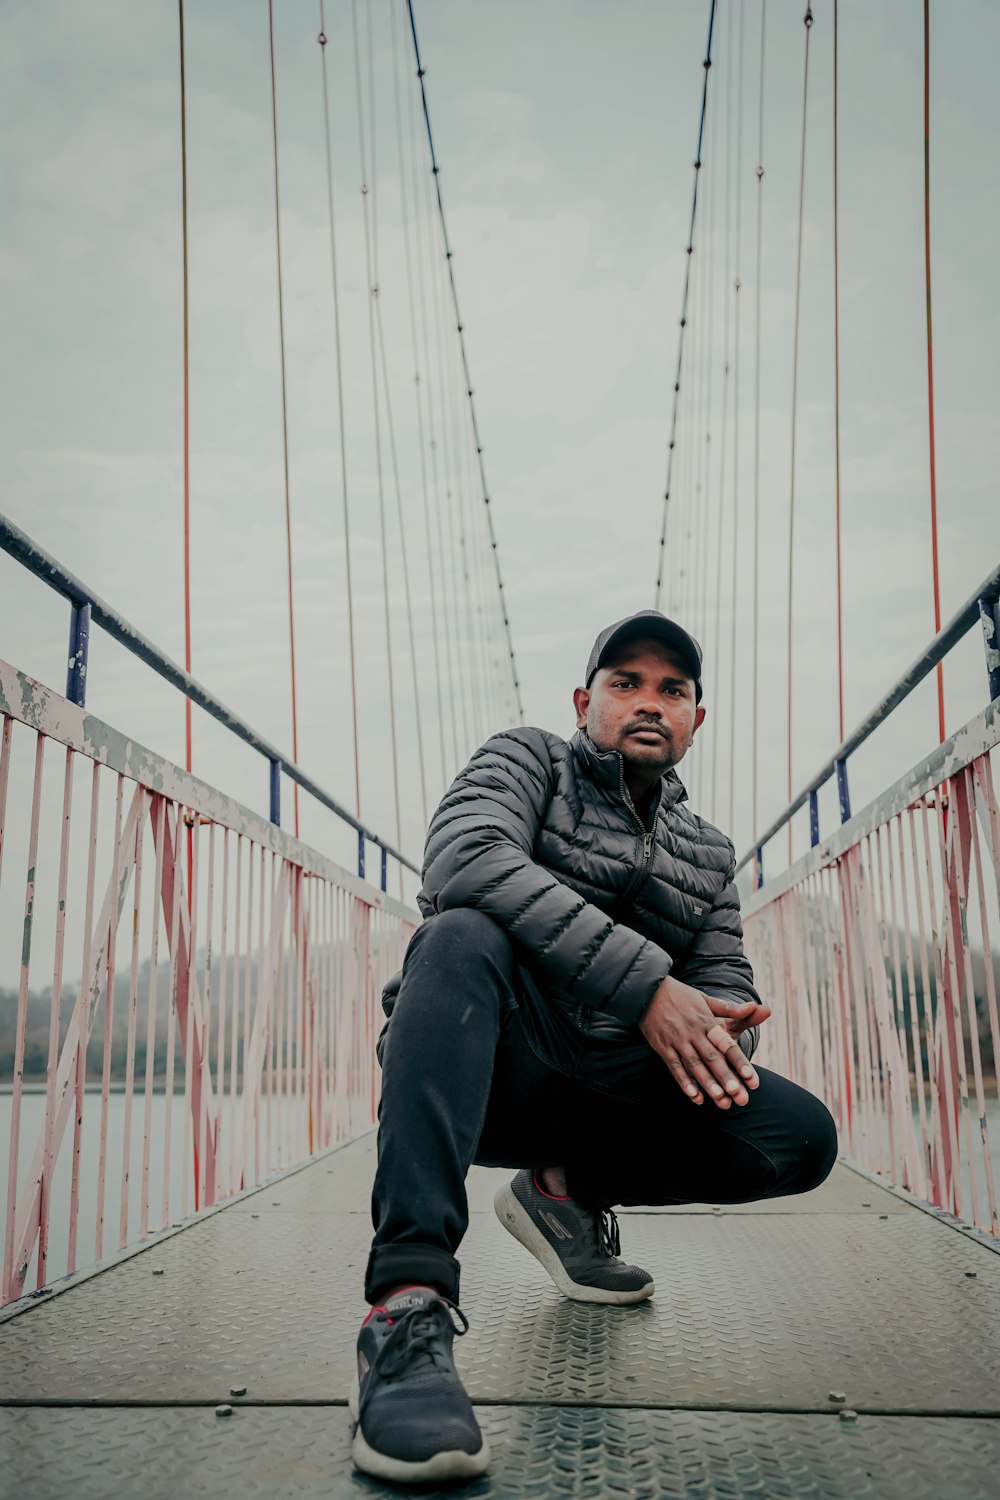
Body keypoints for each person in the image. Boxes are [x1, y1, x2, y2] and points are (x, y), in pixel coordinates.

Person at [350, 610, 837, 1485]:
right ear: (585, 702)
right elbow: (465, 859)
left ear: (696, 718)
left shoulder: (710, 853)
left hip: (606, 1088)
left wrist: (721, 1028)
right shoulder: (526, 759)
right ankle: (406, 1308)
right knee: (460, 934)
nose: (649, 702)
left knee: (798, 1137)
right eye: (626, 683)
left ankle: (564, 1192)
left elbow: (721, 987)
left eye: (672, 690)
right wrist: (648, 987)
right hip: (494, 1064)